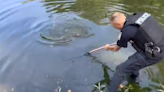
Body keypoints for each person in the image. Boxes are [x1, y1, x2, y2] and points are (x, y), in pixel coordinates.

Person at [104, 12, 164, 92]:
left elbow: (115, 49)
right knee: (133, 61)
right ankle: (133, 79)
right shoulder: (139, 16)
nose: (114, 28)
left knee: (121, 70)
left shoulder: (127, 32)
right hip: (160, 44)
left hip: (154, 54)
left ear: (119, 25)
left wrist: (108, 47)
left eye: (114, 26)